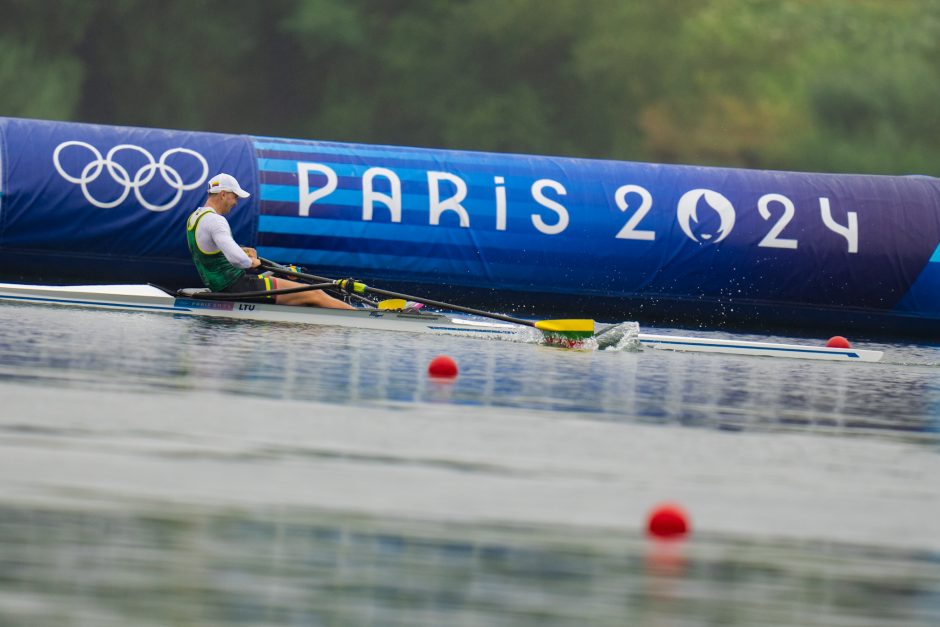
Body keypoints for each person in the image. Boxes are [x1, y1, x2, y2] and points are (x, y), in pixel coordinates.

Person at [185, 173, 354, 309]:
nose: (235, 203)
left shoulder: (195, 218)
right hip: (239, 287)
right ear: (223, 194)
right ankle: (357, 317)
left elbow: (212, 250)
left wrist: (242, 249)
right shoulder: (216, 221)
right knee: (315, 294)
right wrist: (252, 260)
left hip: (222, 286)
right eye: (234, 197)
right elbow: (238, 260)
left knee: (302, 301)